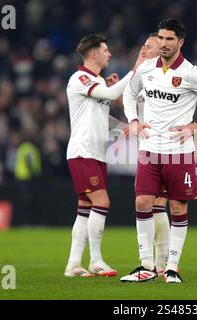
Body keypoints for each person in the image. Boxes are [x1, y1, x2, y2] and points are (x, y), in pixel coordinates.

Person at [120, 18, 197, 283]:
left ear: (180, 42)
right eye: (161, 38)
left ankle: (172, 267)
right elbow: (130, 94)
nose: (164, 44)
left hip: (180, 152)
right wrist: (133, 119)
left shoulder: (191, 73)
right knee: (142, 202)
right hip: (150, 149)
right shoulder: (146, 68)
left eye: (169, 39)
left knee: (178, 207)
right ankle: (145, 267)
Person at [64, 34, 144, 278]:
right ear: (94, 54)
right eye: (106, 50)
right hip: (82, 151)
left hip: (96, 154)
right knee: (102, 202)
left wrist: (125, 127)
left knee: (85, 207)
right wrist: (136, 68)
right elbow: (110, 96)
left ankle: (74, 265)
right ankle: (96, 260)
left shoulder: (96, 81)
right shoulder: (80, 78)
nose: (109, 54)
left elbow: (102, 117)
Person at [123, 33, 170, 275]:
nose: (144, 48)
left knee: (159, 203)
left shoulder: (168, 76)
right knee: (148, 203)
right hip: (147, 149)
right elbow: (126, 95)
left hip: (169, 148)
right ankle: (154, 264)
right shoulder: (140, 76)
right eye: (143, 44)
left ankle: (162, 264)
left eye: (149, 46)